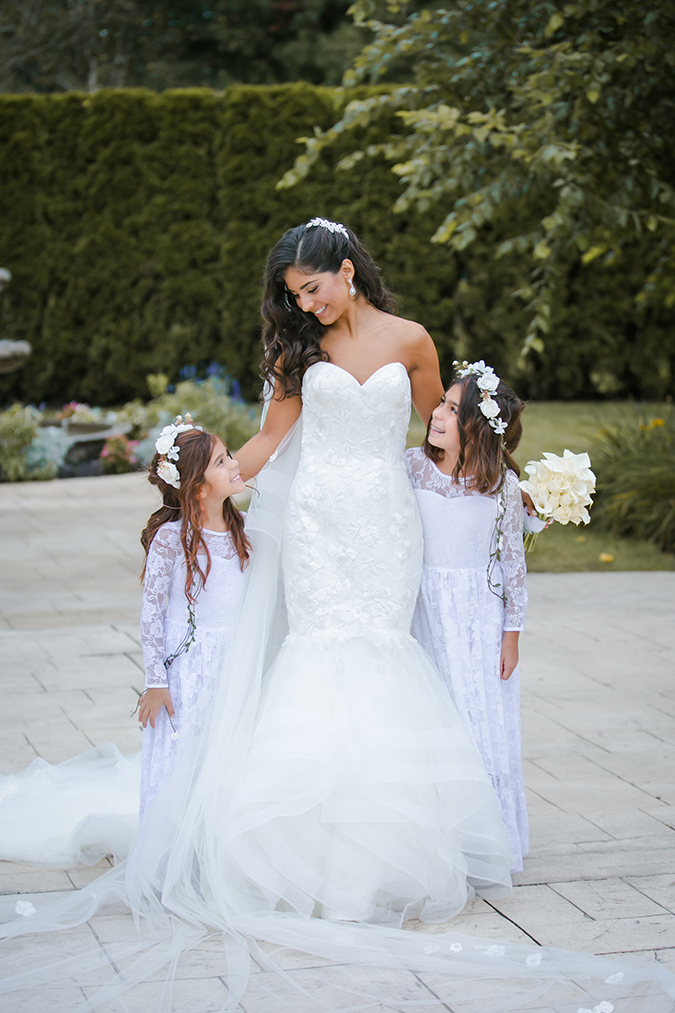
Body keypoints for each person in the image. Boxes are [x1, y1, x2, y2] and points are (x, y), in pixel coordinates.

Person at [1, 220, 673, 1013]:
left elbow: (442, 442)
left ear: (346, 272)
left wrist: (513, 493)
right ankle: (303, 846)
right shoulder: (298, 353)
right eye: (294, 297)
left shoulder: (413, 340)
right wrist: (193, 488)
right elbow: (269, 441)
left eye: (313, 289)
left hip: (387, 527)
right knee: (320, 651)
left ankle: (387, 846)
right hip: (318, 524)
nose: (307, 305)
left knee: (380, 649)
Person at [407, 363, 529, 870]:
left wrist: (511, 633)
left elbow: (513, 565)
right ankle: (437, 836)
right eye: (441, 404)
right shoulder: (412, 467)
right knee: (432, 716)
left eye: (453, 410)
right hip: (425, 609)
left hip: (478, 614)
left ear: (478, 426)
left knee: (478, 717)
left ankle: (486, 839)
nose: (436, 413)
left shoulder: (501, 486)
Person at [137, 418, 249, 816]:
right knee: (183, 753)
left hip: (233, 662)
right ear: (199, 489)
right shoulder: (172, 538)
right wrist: (155, 681)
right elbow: (152, 613)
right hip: (187, 669)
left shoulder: (244, 531)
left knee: (224, 754)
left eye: (229, 454)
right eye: (222, 461)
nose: (235, 463)